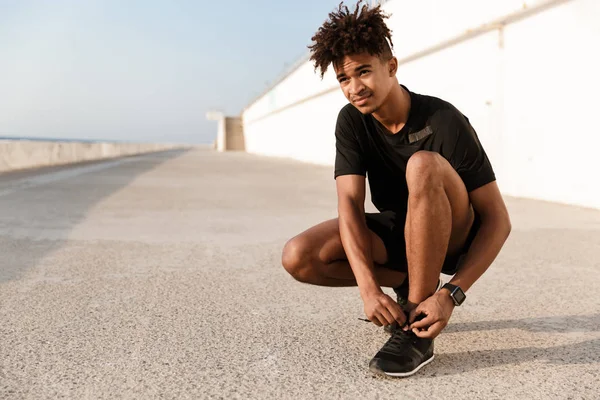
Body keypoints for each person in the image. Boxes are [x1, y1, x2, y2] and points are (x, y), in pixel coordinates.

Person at [281, 0, 512, 378]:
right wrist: (370, 290)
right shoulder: (352, 122)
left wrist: (451, 294)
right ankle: (405, 282)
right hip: (397, 233)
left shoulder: (443, 120)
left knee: (421, 164)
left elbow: (498, 221)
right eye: (343, 78)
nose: (354, 87)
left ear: (391, 67)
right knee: (299, 256)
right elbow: (350, 206)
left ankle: (417, 328)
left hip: (451, 236)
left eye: (363, 72)